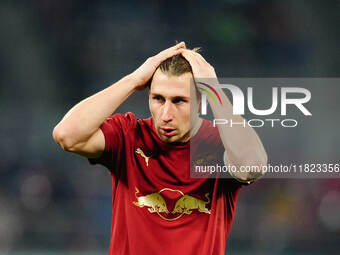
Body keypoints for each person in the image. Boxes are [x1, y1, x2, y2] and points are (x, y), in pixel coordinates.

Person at [52, 42, 267, 255]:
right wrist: (134, 79)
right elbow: (67, 136)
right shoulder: (129, 135)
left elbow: (252, 166)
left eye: (179, 101)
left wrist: (214, 89)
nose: (166, 115)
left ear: (202, 102)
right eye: (158, 99)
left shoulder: (221, 143)